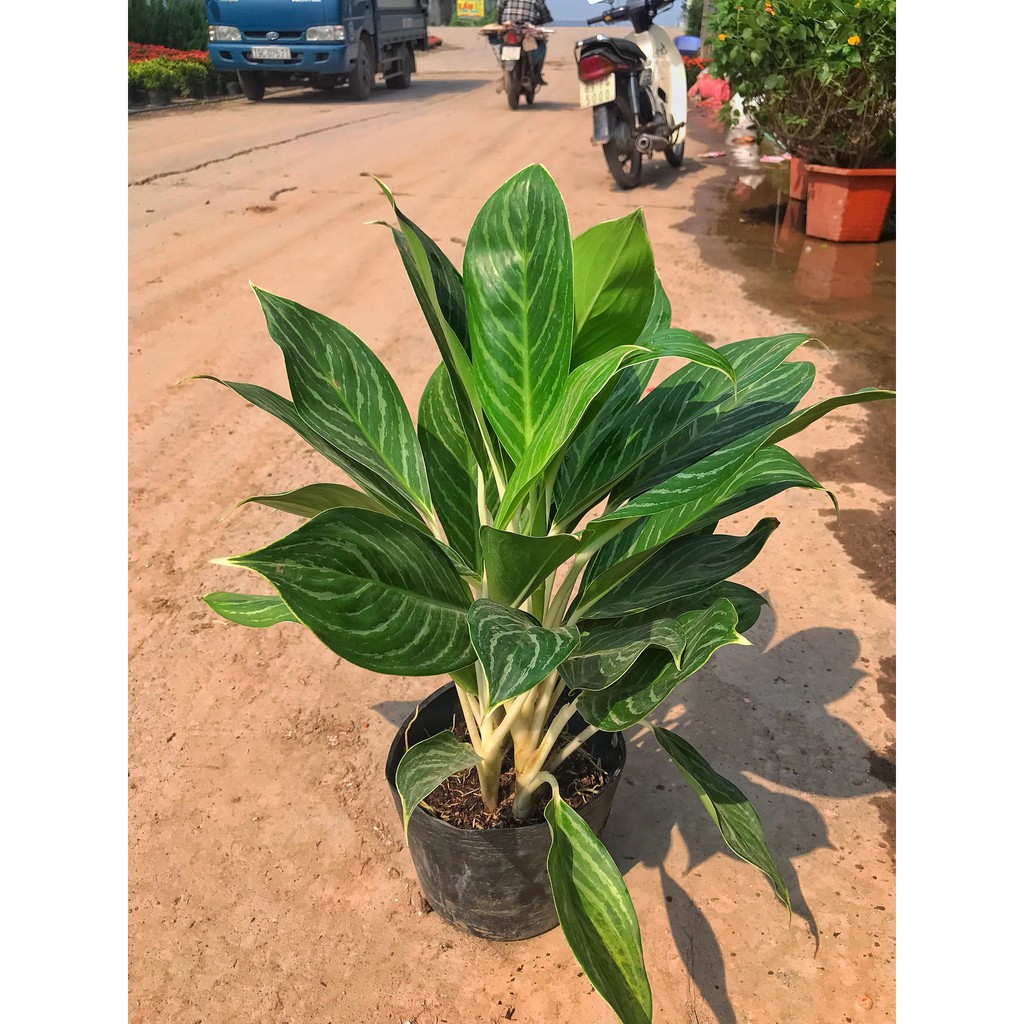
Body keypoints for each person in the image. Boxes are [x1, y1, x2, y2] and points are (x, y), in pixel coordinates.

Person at [496, 0, 553, 85]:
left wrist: (499, 21)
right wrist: (545, 19)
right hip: (526, 29)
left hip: (508, 27)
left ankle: (505, 72)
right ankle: (536, 73)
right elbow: (544, 12)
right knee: (541, 47)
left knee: (502, 43)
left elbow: (500, 7)